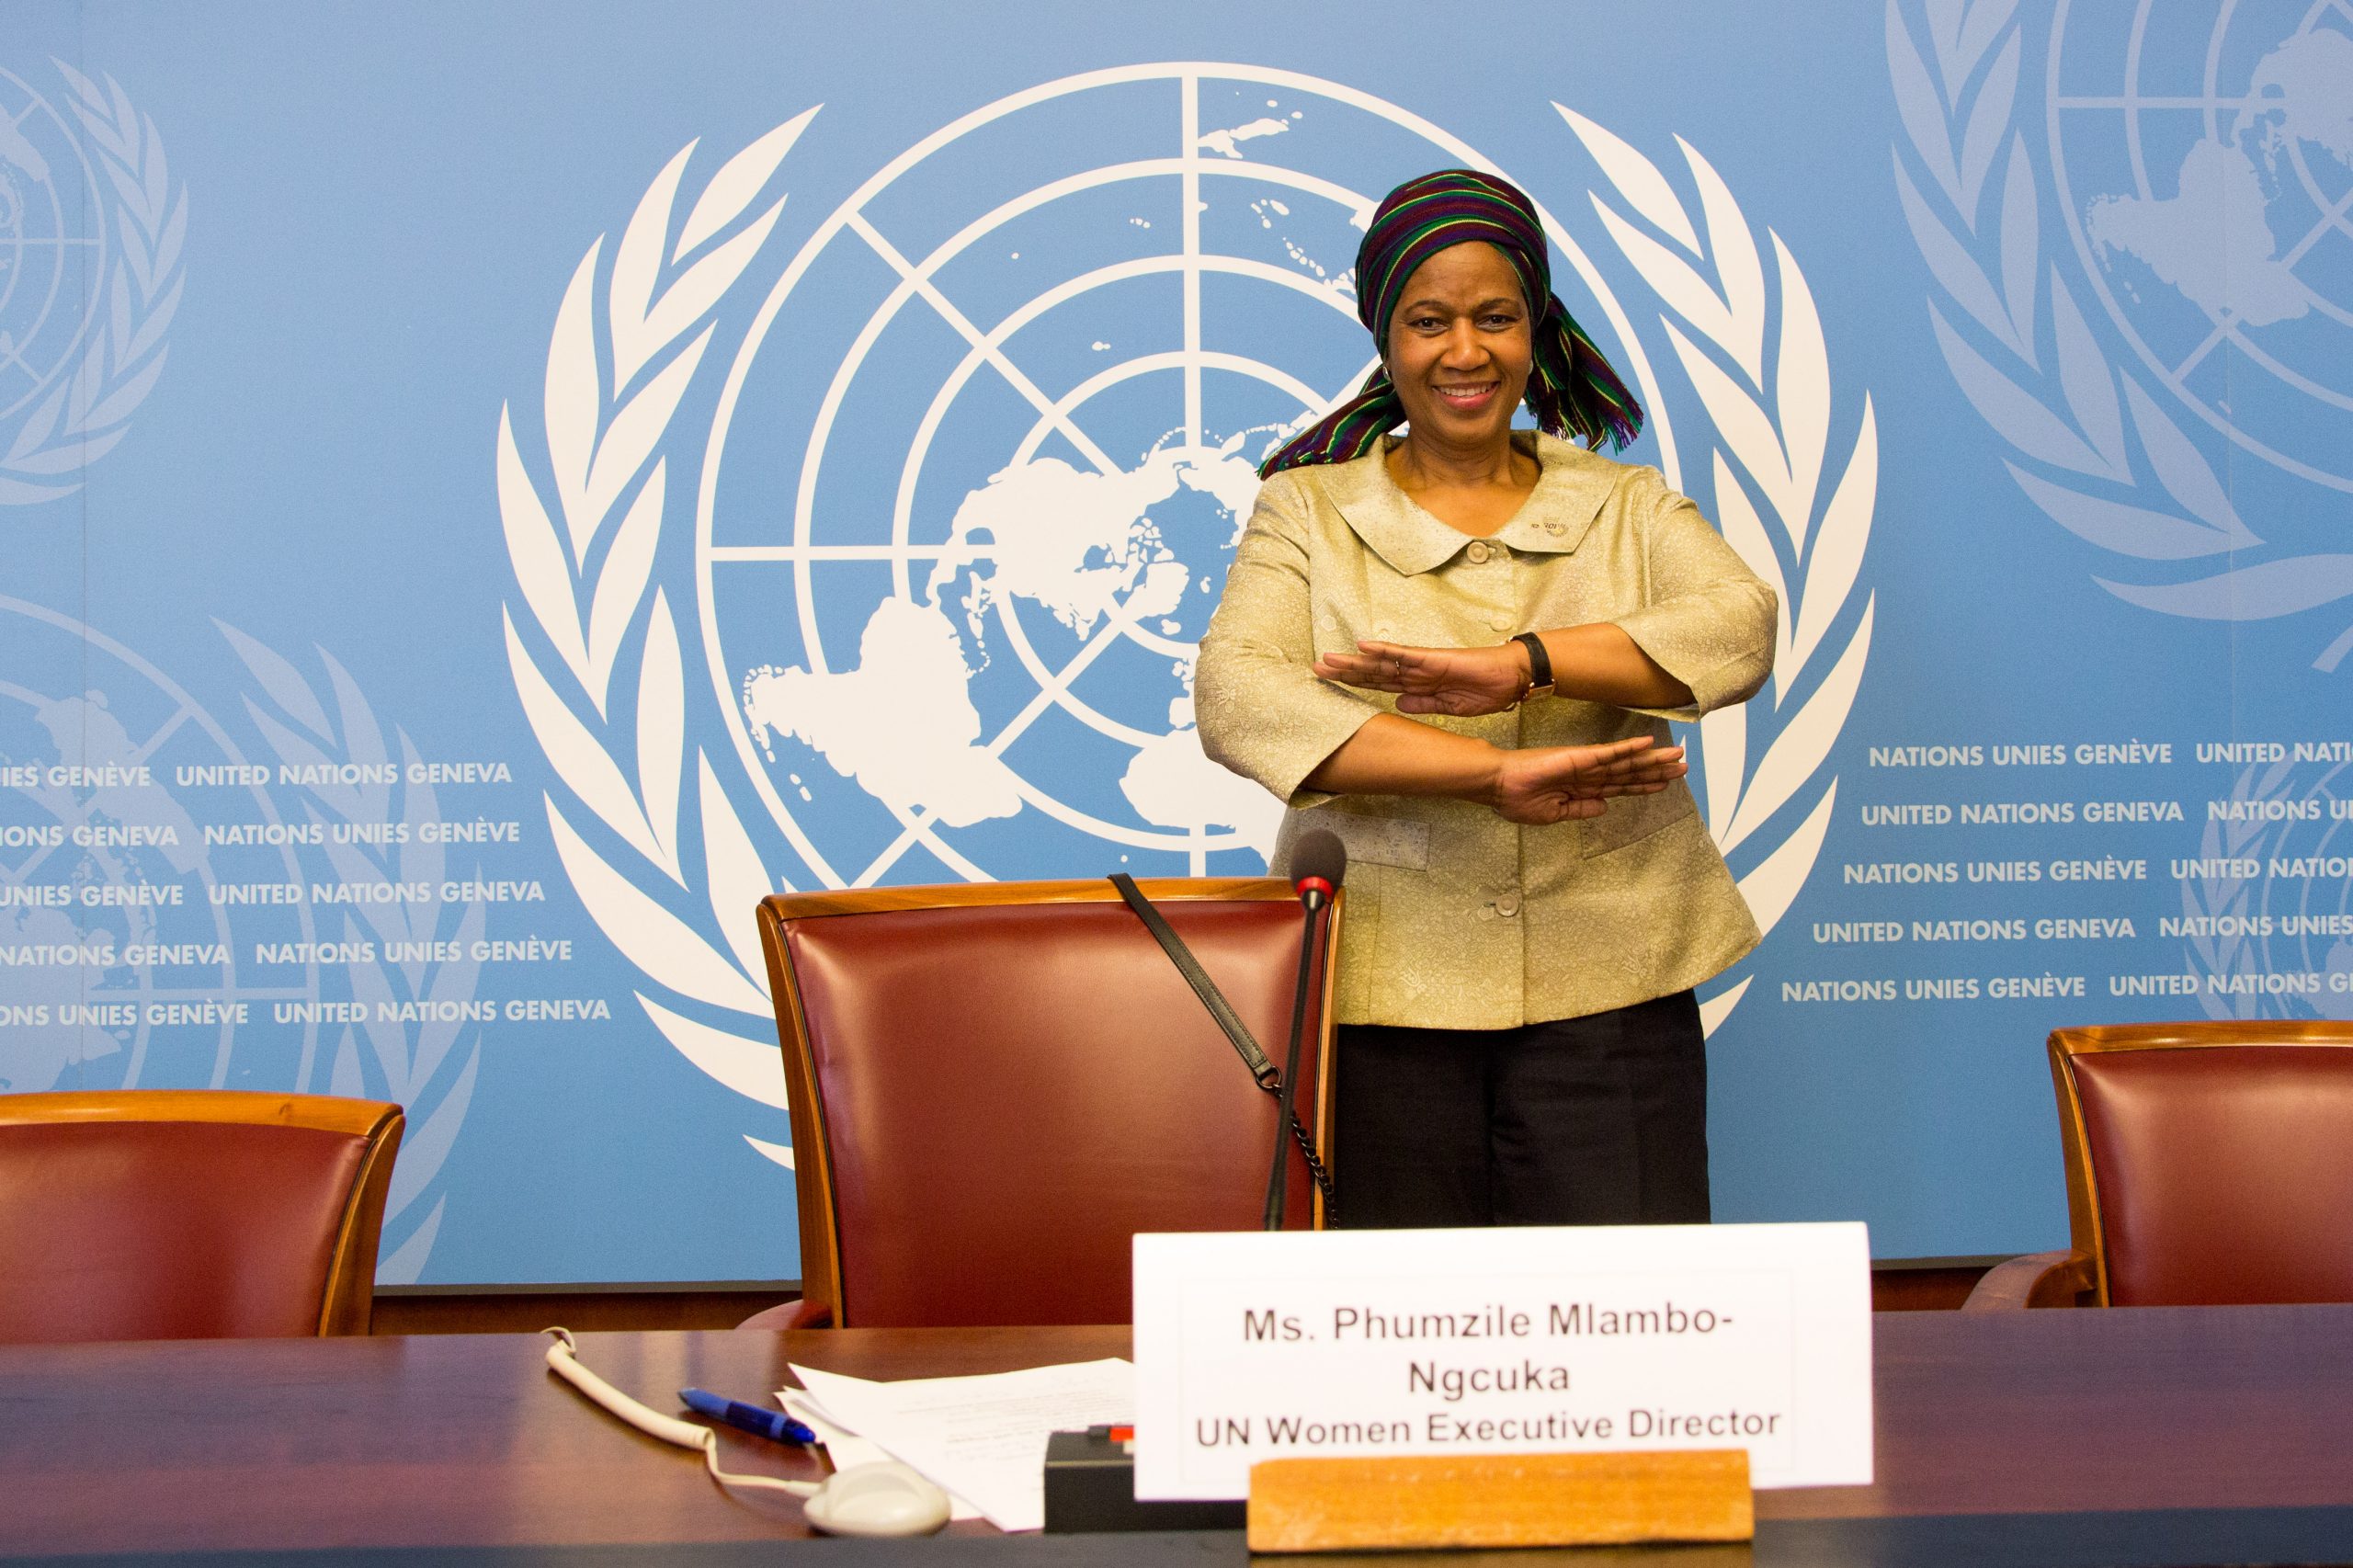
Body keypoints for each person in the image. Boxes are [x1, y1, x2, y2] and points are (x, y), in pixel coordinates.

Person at [1194, 168, 1776, 1230]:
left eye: (1495, 317)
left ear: (1534, 330)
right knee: (1396, 1341)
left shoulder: (1622, 501)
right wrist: (1491, 773)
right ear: (1385, 335)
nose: (1464, 351)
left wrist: (1527, 663)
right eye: (1428, 321)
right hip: (1381, 999)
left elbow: (1740, 627)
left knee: (1628, 1328)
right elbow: (1237, 695)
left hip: (1615, 995)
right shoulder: (1305, 511)